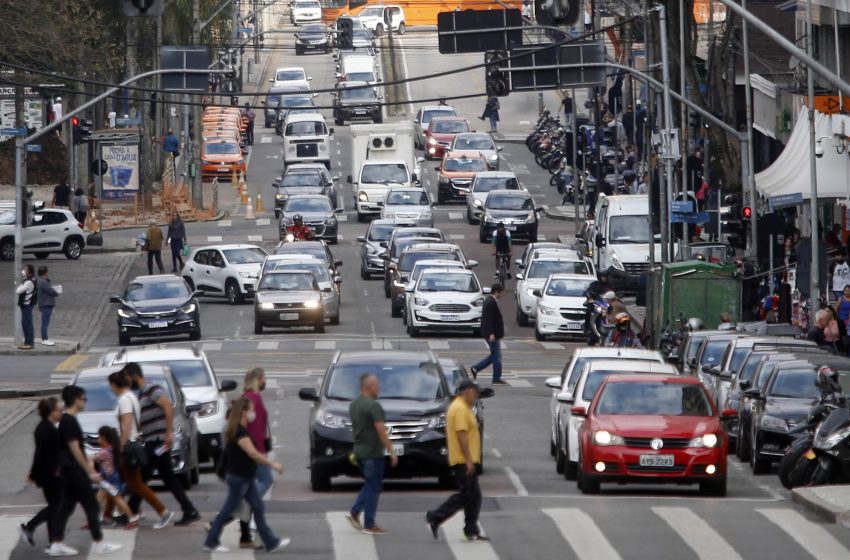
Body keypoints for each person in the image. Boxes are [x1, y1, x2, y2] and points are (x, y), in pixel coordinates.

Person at [204, 398, 288, 553]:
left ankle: (271, 543)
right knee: (227, 511)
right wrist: (273, 464)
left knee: (258, 507)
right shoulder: (239, 432)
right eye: (251, 410)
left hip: (245, 477)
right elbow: (253, 454)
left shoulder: (237, 429)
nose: (252, 414)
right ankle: (211, 541)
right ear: (243, 412)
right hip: (239, 478)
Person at [124, 363, 201, 526]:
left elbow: (167, 406)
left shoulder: (152, 389)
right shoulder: (142, 393)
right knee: (159, 477)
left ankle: (130, 511)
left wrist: (168, 433)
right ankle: (190, 510)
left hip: (158, 441)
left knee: (144, 475)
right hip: (152, 440)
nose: (127, 382)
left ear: (134, 375)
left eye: (127, 378)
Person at [50, 385, 122, 557]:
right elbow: (74, 448)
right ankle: (99, 542)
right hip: (75, 471)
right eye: (84, 399)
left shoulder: (66, 421)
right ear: (75, 400)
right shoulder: (70, 422)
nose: (85, 402)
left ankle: (57, 543)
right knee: (92, 505)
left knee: (66, 507)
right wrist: (88, 469)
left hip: (69, 471)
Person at [108, 369, 172, 529]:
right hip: (133, 444)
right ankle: (108, 515)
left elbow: (127, 424)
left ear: (115, 385)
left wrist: (120, 446)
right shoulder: (132, 397)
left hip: (128, 446)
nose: (111, 389)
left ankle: (162, 511)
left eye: (110, 385)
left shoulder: (124, 399)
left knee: (136, 484)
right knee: (117, 481)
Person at [426, 380, 487, 542]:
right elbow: (462, 434)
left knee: (474, 495)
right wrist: (468, 460)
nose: (477, 395)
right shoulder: (459, 409)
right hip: (463, 460)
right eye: (475, 391)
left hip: (465, 460)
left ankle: (470, 529)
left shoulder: (460, 407)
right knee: (467, 495)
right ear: (466, 392)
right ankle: (435, 516)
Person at [346, 373, 397, 535]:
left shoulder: (354, 404)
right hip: (372, 453)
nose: (379, 388)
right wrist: (391, 450)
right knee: (374, 487)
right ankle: (369, 524)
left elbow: (355, 429)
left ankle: (355, 512)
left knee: (370, 484)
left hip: (360, 451)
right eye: (377, 385)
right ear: (370, 386)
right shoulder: (374, 406)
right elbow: (381, 430)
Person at [238, 368, 274, 548]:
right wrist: (263, 449)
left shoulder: (245, 396)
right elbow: (259, 426)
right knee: (267, 479)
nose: (265, 381)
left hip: (248, 448)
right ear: (258, 380)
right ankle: (248, 503)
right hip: (255, 448)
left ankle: (245, 531)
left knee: (254, 483)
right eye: (264, 378)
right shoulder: (255, 399)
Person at [19, 397, 63, 547]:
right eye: (59, 410)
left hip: (51, 473)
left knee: (54, 506)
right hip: (49, 475)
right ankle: (30, 527)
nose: (61, 412)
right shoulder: (46, 429)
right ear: (51, 412)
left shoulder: (46, 427)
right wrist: (33, 474)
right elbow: (40, 454)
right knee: (55, 506)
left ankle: (52, 542)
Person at [91, 426, 138, 529]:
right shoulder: (112, 449)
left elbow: (93, 458)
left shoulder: (104, 452)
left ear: (104, 438)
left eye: (99, 437)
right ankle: (93, 520)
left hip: (109, 480)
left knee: (118, 500)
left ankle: (132, 520)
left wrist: (92, 469)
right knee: (98, 500)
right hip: (109, 479)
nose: (97, 439)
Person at [470, 284, 506, 384]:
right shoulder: (491, 303)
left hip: (492, 333)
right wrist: (491, 333)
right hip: (492, 334)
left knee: (494, 356)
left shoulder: (489, 301)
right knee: (497, 356)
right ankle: (496, 377)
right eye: (501, 292)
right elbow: (488, 319)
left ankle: (476, 369)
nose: (502, 295)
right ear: (496, 292)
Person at [37, 267, 59, 346]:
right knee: (45, 323)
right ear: (45, 273)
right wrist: (57, 292)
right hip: (46, 304)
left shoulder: (41, 281)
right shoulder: (43, 282)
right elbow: (51, 291)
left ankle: (45, 338)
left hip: (44, 303)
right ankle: (45, 339)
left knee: (45, 322)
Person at [16, 264, 36, 350]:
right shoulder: (29, 279)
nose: (24, 270)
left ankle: (30, 343)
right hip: (26, 305)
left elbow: (18, 291)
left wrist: (21, 283)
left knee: (27, 324)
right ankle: (27, 342)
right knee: (25, 323)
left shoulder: (28, 282)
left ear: (29, 271)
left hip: (27, 305)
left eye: (25, 269)